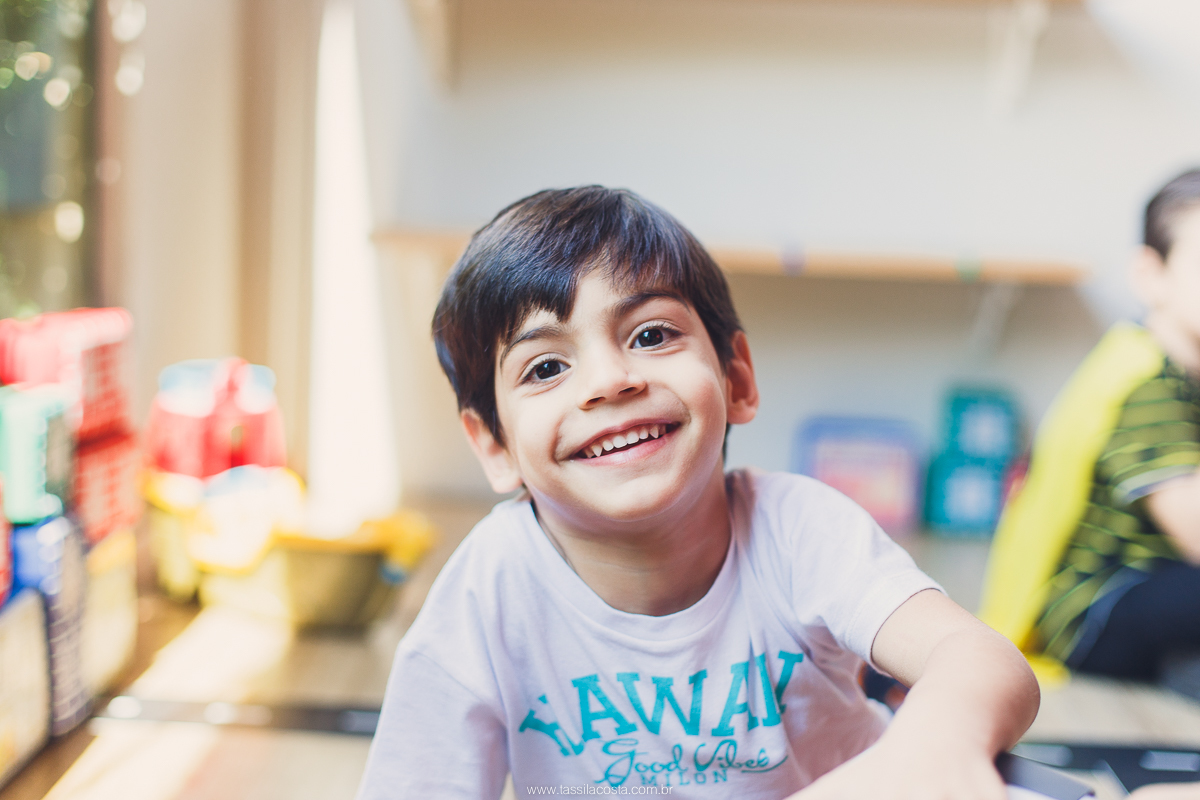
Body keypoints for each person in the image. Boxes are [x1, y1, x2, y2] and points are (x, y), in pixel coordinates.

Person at [356, 186, 1038, 799]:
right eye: (546, 366)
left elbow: (980, 659)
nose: (609, 380)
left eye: (651, 334)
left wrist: (929, 751)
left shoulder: (796, 528)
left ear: (737, 378)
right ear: (494, 446)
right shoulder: (490, 586)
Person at [980, 169, 1200, 684]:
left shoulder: (1170, 368)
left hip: (1148, 592)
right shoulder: (1146, 382)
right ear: (1151, 274)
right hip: (1091, 609)